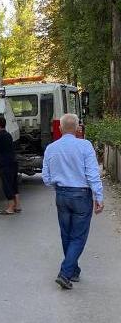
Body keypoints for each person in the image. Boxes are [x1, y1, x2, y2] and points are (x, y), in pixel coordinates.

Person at [42, 113, 104, 290]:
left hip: (61, 195)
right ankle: (65, 273)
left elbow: (46, 178)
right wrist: (98, 196)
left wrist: (57, 185)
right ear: (78, 129)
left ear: (60, 128)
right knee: (78, 236)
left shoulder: (51, 148)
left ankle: (74, 270)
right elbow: (92, 173)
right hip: (81, 196)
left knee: (66, 234)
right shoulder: (85, 146)